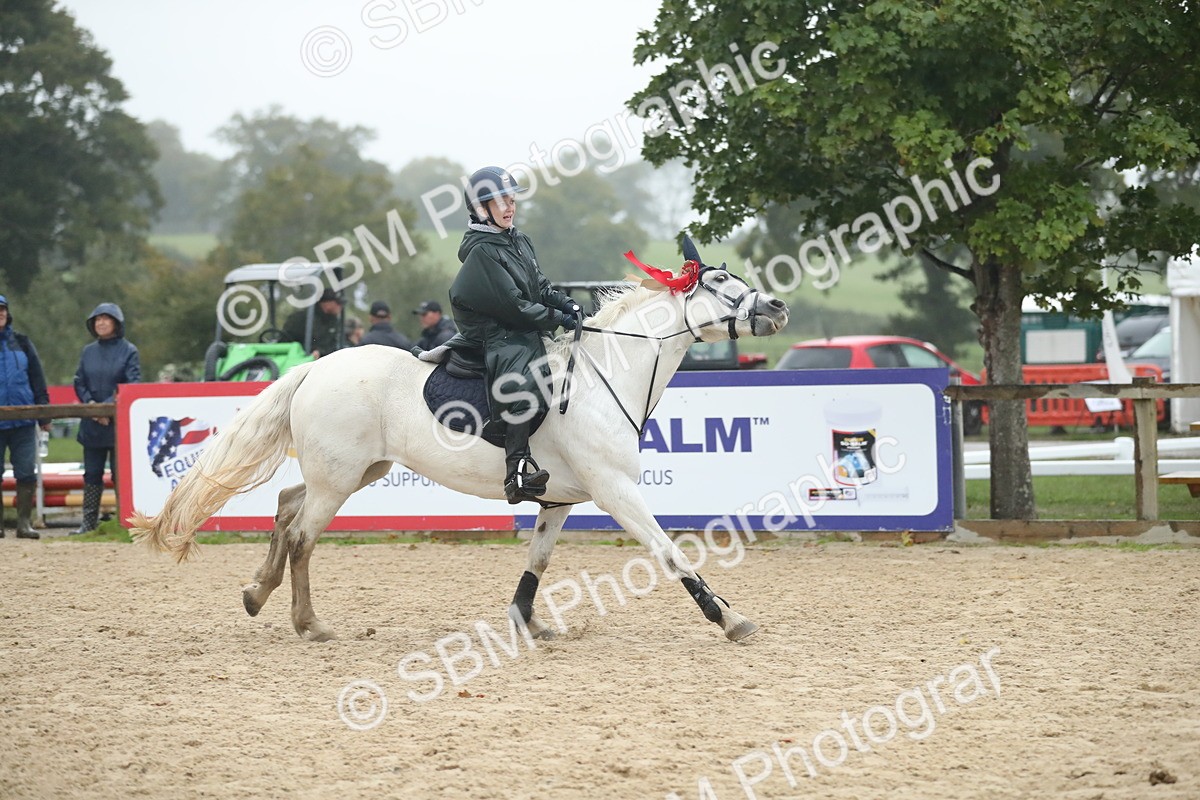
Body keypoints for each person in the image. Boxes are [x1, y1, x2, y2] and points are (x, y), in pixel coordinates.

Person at [448, 165, 580, 504]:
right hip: (498, 333)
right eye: (500, 201)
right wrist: (558, 318)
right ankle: (517, 469)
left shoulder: (519, 240)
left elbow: (540, 286)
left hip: (518, 324)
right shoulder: (481, 252)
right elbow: (517, 306)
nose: (509, 207)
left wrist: (569, 305)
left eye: (511, 199)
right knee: (523, 366)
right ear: (481, 209)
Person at [73, 303, 140, 535]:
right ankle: (88, 524)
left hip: (118, 425)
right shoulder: (87, 351)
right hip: (91, 424)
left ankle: (124, 522)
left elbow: (132, 384)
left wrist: (111, 409)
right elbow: (79, 381)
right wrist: (92, 407)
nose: (100, 323)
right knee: (91, 474)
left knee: (120, 474)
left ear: (116, 323)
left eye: (106, 319)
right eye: (97, 319)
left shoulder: (129, 350)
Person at [0, 295, 50, 539]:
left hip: (24, 420)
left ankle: (24, 524)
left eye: (2, 309)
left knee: (26, 472)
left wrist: (44, 413)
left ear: (8, 313)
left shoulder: (22, 342)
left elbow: (37, 378)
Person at [283, 288, 344, 357]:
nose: (341, 307)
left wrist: (321, 352)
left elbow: (334, 345)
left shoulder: (334, 321)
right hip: (301, 360)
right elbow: (287, 341)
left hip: (326, 360)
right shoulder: (302, 318)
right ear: (326, 303)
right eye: (338, 303)